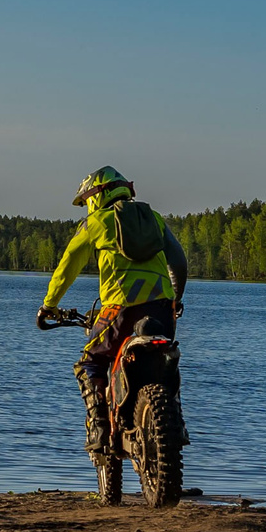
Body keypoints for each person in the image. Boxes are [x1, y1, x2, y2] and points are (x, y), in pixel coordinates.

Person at [37, 166, 188, 471]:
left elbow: (67, 267)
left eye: (87, 199)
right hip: (162, 310)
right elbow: (179, 261)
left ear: (97, 195)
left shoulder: (96, 222)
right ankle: (176, 421)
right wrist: (176, 298)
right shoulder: (154, 218)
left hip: (120, 311)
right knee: (167, 361)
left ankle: (99, 427)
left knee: (90, 361)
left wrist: (48, 306)